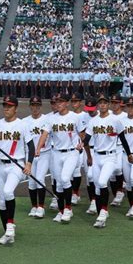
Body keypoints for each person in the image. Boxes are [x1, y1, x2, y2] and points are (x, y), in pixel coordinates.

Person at [0, 96, 34, 245]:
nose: (6, 108)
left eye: (10, 106)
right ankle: (7, 233)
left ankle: (10, 225)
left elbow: (30, 146)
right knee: (1, 203)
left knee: (8, 192)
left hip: (16, 165)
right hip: (0, 165)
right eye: (5, 105)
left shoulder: (22, 125)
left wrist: (28, 164)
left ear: (16, 108)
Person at [36, 93, 85, 224]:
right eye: (57, 101)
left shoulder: (75, 117)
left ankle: (68, 209)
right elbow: (44, 134)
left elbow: (82, 133)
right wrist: (38, 148)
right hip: (56, 153)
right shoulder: (51, 119)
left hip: (71, 152)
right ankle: (61, 210)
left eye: (61, 101)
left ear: (67, 103)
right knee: (58, 184)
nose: (58, 104)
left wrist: (81, 142)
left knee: (64, 179)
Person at [83, 94, 129, 228]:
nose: (102, 105)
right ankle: (101, 214)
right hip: (96, 156)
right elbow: (86, 141)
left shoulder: (115, 120)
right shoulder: (93, 121)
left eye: (105, 103)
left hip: (110, 156)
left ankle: (103, 211)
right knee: (97, 185)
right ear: (97, 106)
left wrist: (129, 154)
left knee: (102, 182)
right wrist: (89, 157)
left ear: (108, 105)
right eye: (100, 103)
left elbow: (123, 138)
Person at [23, 95, 50, 219]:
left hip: (45, 153)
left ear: (41, 106)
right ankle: (34, 206)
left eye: (37, 105)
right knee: (31, 181)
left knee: (39, 178)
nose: (35, 108)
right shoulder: (24, 122)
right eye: (33, 105)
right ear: (30, 106)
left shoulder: (47, 119)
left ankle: (41, 207)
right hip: (30, 155)